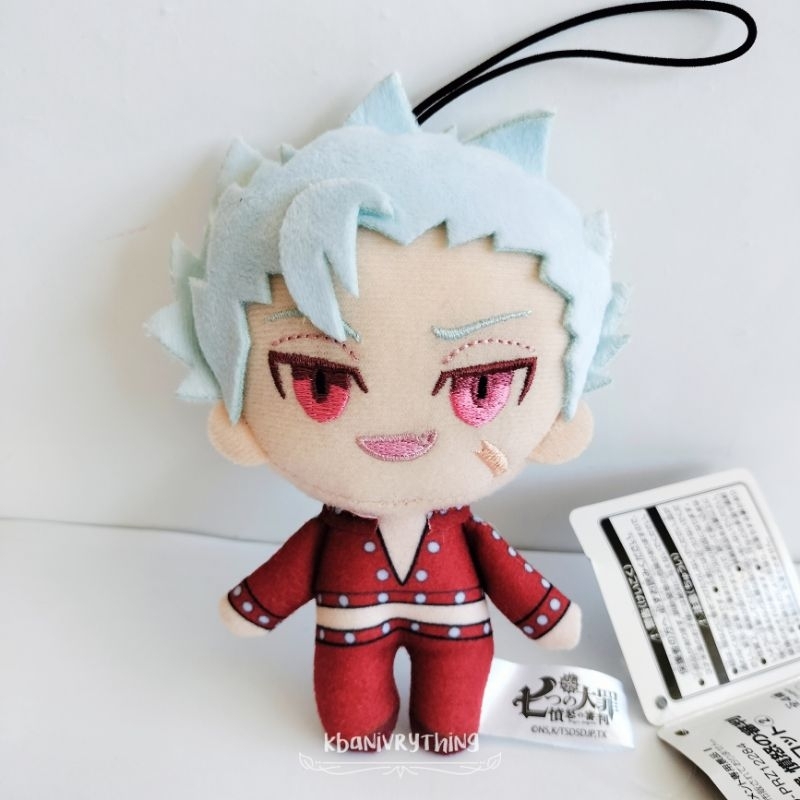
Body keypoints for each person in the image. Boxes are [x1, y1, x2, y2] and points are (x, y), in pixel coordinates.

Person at [148, 74, 626, 752]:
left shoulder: (459, 531)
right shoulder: (340, 531)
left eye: (481, 388)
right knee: (351, 718)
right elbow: (290, 570)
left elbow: (505, 573)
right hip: (352, 629)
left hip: (452, 627)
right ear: (239, 418)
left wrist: (544, 614)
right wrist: (255, 605)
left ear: (560, 420)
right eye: (320, 384)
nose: (402, 434)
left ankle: (445, 726)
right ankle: (361, 728)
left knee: (450, 717)